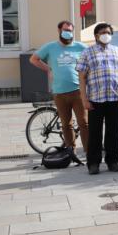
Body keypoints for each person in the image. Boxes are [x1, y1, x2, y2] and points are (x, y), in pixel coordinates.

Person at [76, 23, 118, 175]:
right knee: (95, 133)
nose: (106, 35)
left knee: (113, 132)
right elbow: (82, 78)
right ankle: (93, 163)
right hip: (95, 100)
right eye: (103, 32)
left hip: (114, 98)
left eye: (108, 32)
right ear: (96, 36)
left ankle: (113, 161)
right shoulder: (87, 53)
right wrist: (84, 99)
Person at [29, 20, 88, 153]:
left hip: (78, 91)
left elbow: (93, 58)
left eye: (70, 31)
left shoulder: (80, 47)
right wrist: (48, 69)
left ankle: (89, 152)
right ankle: (70, 152)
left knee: (84, 123)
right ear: (59, 31)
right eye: (65, 30)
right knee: (66, 125)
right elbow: (33, 59)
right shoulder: (50, 47)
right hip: (59, 93)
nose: (68, 33)